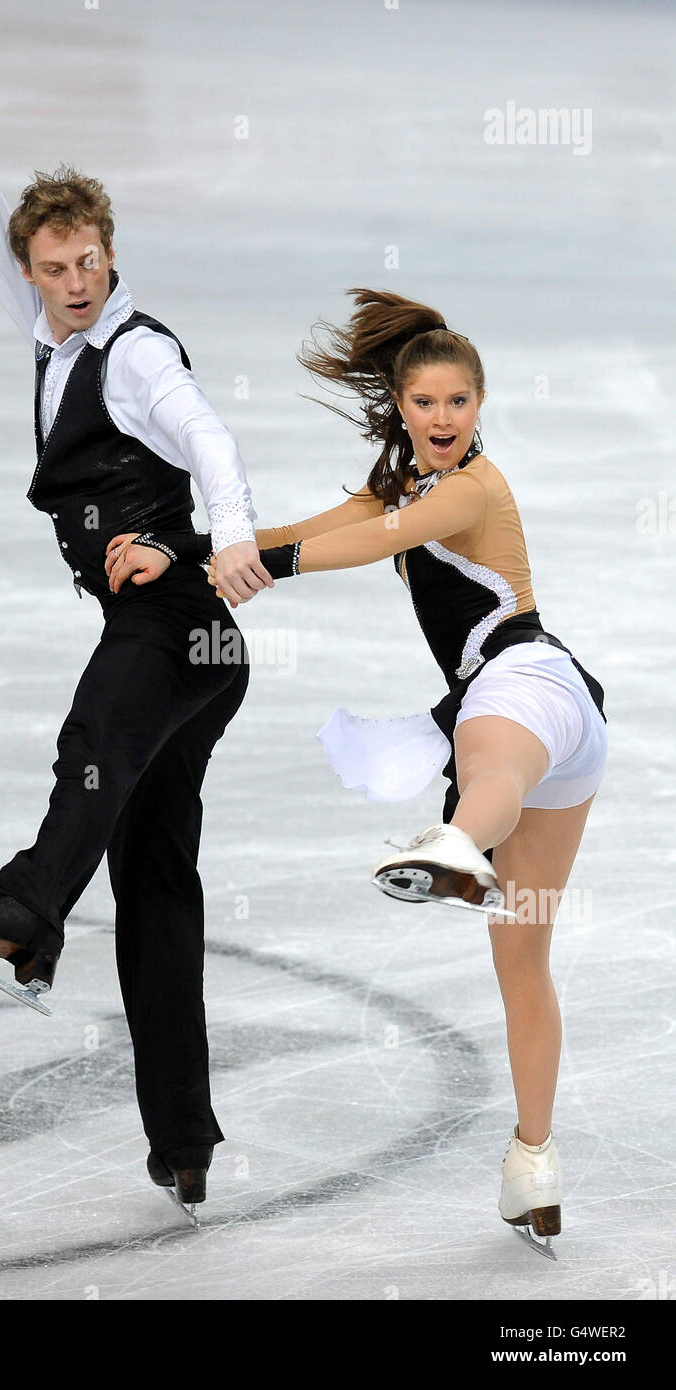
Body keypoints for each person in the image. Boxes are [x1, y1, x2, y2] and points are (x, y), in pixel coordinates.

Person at [0, 24, 274, 1213]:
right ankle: (184, 1138)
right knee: (154, 877)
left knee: (91, 748)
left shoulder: (132, 355)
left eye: (90, 261)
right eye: (56, 266)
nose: (77, 281)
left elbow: (209, 438)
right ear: (37, 270)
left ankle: (20, 919)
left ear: (113, 256)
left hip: (181, 622)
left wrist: (222, 537)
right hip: (199, 651)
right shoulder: (50, 342)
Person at [194, 289, 607, 1256]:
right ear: (400, 404)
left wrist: (270, 571)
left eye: (458, 402)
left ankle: (463, 840)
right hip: (560, 739)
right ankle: (533, 1163)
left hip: (529, 682)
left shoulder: (472, 489)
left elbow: (371, 544)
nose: (442, 419)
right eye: (425, 403)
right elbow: (311, 526)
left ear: (479, 407)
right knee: (521, 954)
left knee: (487, 753)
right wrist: (203, 553)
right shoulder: (400, 488)